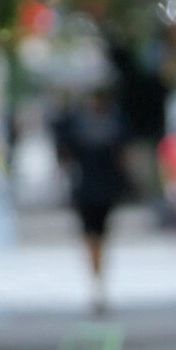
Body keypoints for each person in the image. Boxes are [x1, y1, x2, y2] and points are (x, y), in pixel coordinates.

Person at [53, 88, 127, 311]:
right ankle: (96, 277)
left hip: (103, 189)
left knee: (99, 237)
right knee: (91, 236)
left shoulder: (112, 124)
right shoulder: (78, 125)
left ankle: (98, 276)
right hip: (86, 189)